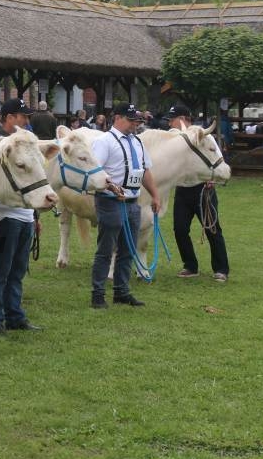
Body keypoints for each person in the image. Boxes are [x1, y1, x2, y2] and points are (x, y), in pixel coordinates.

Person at [89, 103, 160, 309]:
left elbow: (145, 170)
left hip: (132, 201)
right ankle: (98, 294)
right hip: (111, 202)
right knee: (106, 249)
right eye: (130, 120)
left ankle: (121, 291)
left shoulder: (137, 141)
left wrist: (155, 195)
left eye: (136, 121)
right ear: (117, 118)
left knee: (128, 249)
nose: (134, 125)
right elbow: (96, 172)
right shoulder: (104, 142)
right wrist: (112, 188)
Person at [0, 98, 43, 335]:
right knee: (1, 270)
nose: (27, 121)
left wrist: (35, 216)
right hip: (4, 215)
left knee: (18, 270)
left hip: (25, 215)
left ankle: (14, 315)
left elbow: (35, 180)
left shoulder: (25, 143)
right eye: (22, 116)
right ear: (9, 118)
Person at [166, 105, 231, 282]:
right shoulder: (174, 139)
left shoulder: (205, 137)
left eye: (172, 119)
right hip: (182, 189)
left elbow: (218, 160)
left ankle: (221, 269)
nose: (170, 123)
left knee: (212, 229)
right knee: (179, 229)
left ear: (183, 119)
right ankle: (190, 266)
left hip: (204, 189)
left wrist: (213, 179)